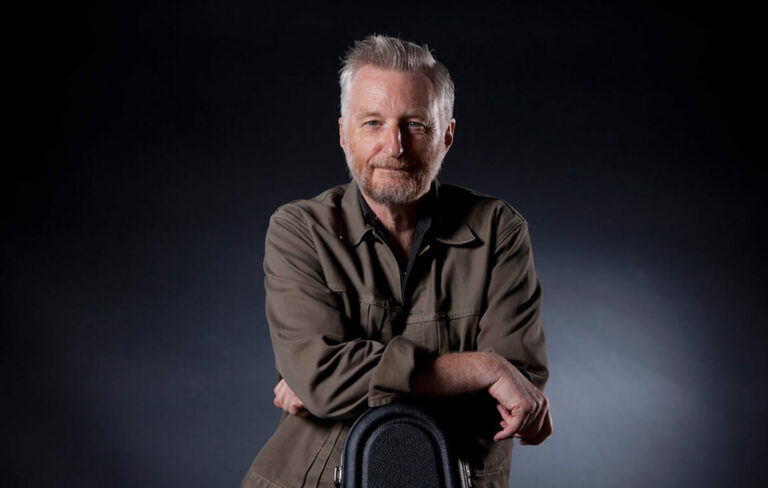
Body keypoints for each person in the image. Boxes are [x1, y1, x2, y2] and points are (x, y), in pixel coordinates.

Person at [241, 35, 551, 488]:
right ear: (343, 133)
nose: (395, 146)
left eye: (416, 125)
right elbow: (321, 375)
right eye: (372, 123)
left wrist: (331, 386)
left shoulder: (499, 231)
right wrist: (482, 369)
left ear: (446, 136)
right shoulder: (298, 229)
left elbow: (514, 401)